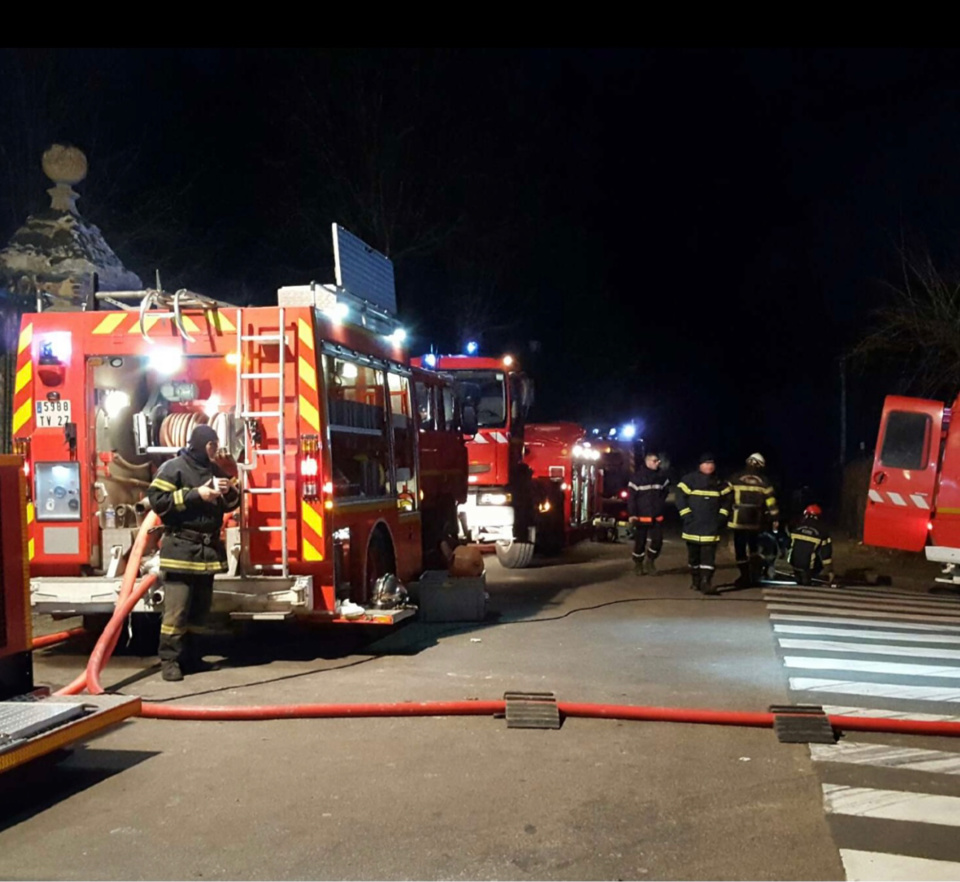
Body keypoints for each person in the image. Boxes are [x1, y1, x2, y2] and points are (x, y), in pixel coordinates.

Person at [148, 423, 240, 681]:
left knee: (200, 611)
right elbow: (158, 501)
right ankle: (170, 661)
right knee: (175, 612)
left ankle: (192, 657)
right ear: (202, 444)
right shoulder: (174, 468)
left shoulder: (212, 469)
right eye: (212, 445)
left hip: (206, 553)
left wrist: (228, 491)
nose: (215, 449)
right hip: (180, 550)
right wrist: (195, 494)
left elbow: (233, 502)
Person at [676, 453, 732, 595]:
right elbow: (680, 498)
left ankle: (706, 582)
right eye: (706, 463)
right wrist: (686, 515)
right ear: (700, 465)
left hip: (711, 527)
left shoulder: (720, 483)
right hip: (692, 526)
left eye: (711, 463)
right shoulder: (689, 480)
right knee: (693, 557)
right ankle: (696, 580)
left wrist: (722, 516)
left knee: (709, 556)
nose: (709, 466)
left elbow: (727, 500)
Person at [727, 452, 780, 587]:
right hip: (755, 520)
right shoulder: (764, 481)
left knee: (740, 550)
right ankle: (754, 574)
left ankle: (744, 576)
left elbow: (726, 496)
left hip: (737, 520)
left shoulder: (735, 478)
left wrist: (722, 513)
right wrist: (775, 517)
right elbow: (771, 501)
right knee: (754, 548)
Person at [627, 451, 670, 575]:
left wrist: (659, 505)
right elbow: (631, 498)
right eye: (655, 461)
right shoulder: (637, 478)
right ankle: (638, 564)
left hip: (657, 516)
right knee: (640, 542)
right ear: (647, 462)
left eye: (658, 461)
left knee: (658, 541)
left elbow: (665, 492)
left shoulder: (661, 478)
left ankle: (650, 561)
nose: (658, 463)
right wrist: (632, 514)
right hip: (641, 516)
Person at [788, 504, 834, 586]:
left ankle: (798, 573)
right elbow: (826, 553)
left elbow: (790, 544)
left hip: (793, 562)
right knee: (816, 555)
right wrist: (829, 571)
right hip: (808, 565)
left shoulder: (797, 526)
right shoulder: (822, 530)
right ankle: (809, 575)